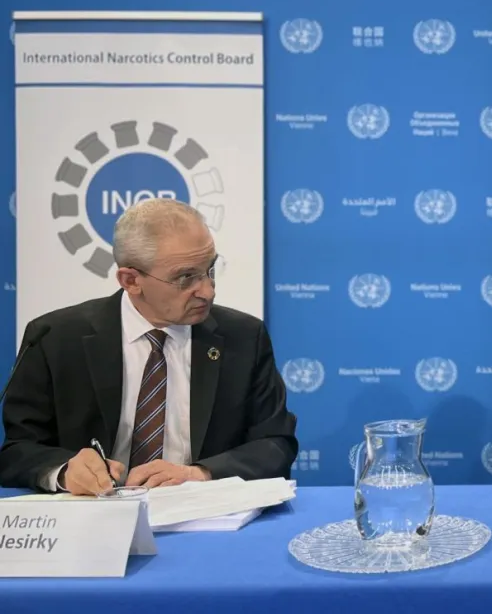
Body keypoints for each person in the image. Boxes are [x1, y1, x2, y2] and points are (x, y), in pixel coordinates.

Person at [0, 199, 298, 495]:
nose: (207, 291)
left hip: (202, 517)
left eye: (209, 270)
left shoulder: (243, 337)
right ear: (131, 280)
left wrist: (201, 474)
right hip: (93, 517)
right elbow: (18, 450)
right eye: (186, 277)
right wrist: (64, 471)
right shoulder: (55, 338)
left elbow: (275, 444)